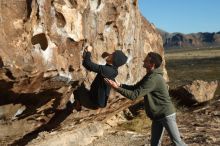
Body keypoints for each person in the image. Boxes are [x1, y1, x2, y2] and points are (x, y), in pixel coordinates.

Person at [105, 52, 186, 146]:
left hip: (166, 115)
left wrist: (116, 88)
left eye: (146, 60)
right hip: (157, 116)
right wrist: (121, 85)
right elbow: (135, 87)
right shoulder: (150, 76)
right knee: (155, 144)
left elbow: (134, 95)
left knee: (177, 142)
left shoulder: (153, 79)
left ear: (152, 64)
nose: (143, 61)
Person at [75, 45, 128, 111]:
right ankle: (79, 101)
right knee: (81, 86)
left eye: (112, 54)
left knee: (76, 84)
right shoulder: (113, 70)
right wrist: (108, 56)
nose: (110, 54)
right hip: (94, 100)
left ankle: (78, 103)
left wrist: (89, 51)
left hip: (90, 101)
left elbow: (87, 64)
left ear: (114, 60)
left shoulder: (108, 71)